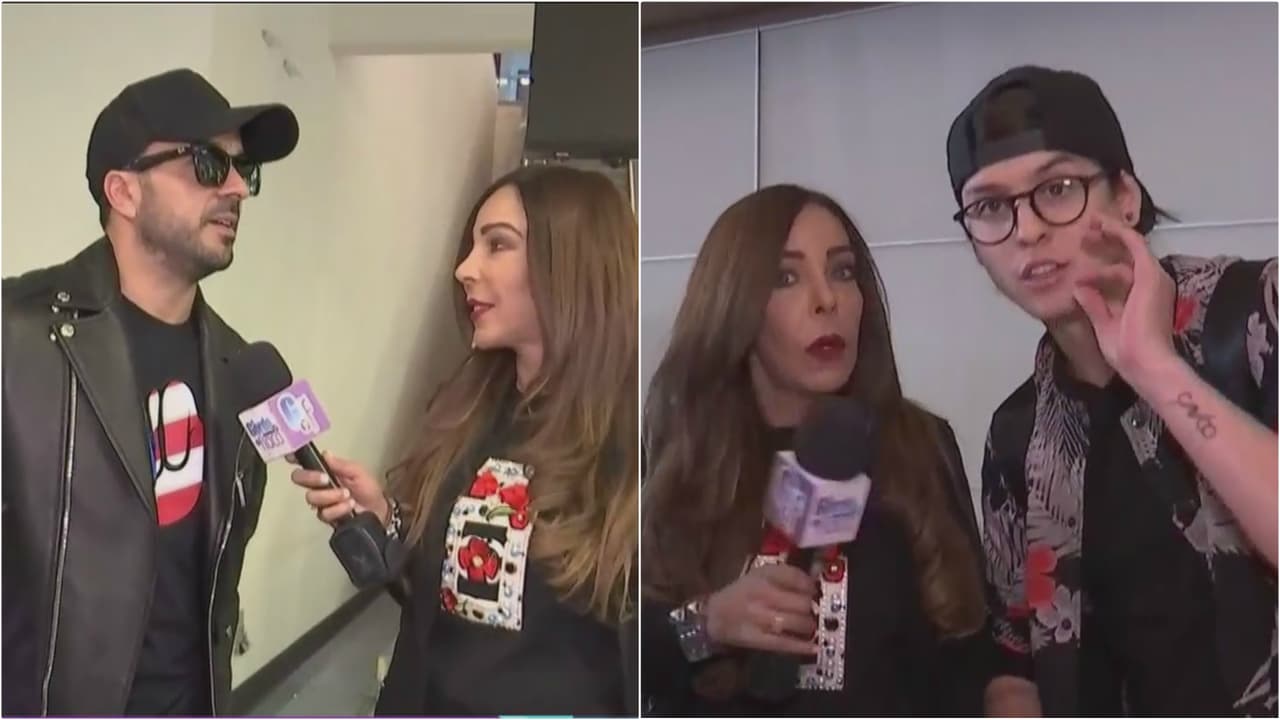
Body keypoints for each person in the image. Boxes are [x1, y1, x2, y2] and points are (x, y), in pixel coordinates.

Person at [946, 65, 1278, 716]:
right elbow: (1016, 661)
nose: (1027, 230)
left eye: (1058, 189)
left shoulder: (1256, 317)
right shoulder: (1020, 433)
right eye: (990, 207)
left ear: (1125, 196)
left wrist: (1152, 365)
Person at [289, 165, 639, 716]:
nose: (464, 269)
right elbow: (448, 593)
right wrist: (389, 522)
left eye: (497, 245)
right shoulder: (467, 410)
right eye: (472, 246)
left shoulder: (637, 441)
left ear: (570, 261)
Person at [2, 68, 299, 715]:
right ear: (124, 191)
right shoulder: (15, 338)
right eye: (207, 163)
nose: (235, 189)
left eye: (242, 170)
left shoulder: (236, 366)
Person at [640, 184, 994, 716]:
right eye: (786, 278)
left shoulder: (921, 444)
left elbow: (970, 654)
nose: (826, 300)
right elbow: (629, 657)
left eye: (843, 271)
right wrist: (708, 624)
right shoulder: (685, 456)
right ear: (735, 305)